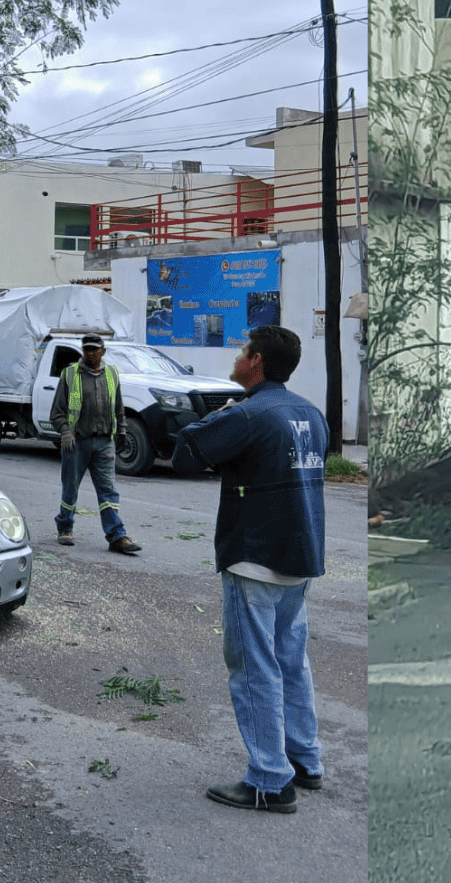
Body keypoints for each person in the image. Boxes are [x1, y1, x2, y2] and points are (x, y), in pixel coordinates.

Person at [172, 325, 328, 814]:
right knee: (291, 661)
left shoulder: (247, 413)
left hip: (254, 557)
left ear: (256, 361)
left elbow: (184, 455)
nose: (237, 358)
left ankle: (269, 780)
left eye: (242, 351)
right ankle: (304, 760)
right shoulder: (310, 413)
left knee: (254, 668)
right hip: (299, 556)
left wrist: (219, 415)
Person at [49, 334, 140, 554]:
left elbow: (118, 407)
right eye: (86, 349)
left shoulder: (111, 374)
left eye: (94, 350)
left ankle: (116, 535)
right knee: (70, 488)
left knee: (108, 491)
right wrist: (65, 432)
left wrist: (122, 430)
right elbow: (56, 413)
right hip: (77, 443)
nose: (90, 353)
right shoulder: (70, 375)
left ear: (103, 352)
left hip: (104, 443)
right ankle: (65, 528)